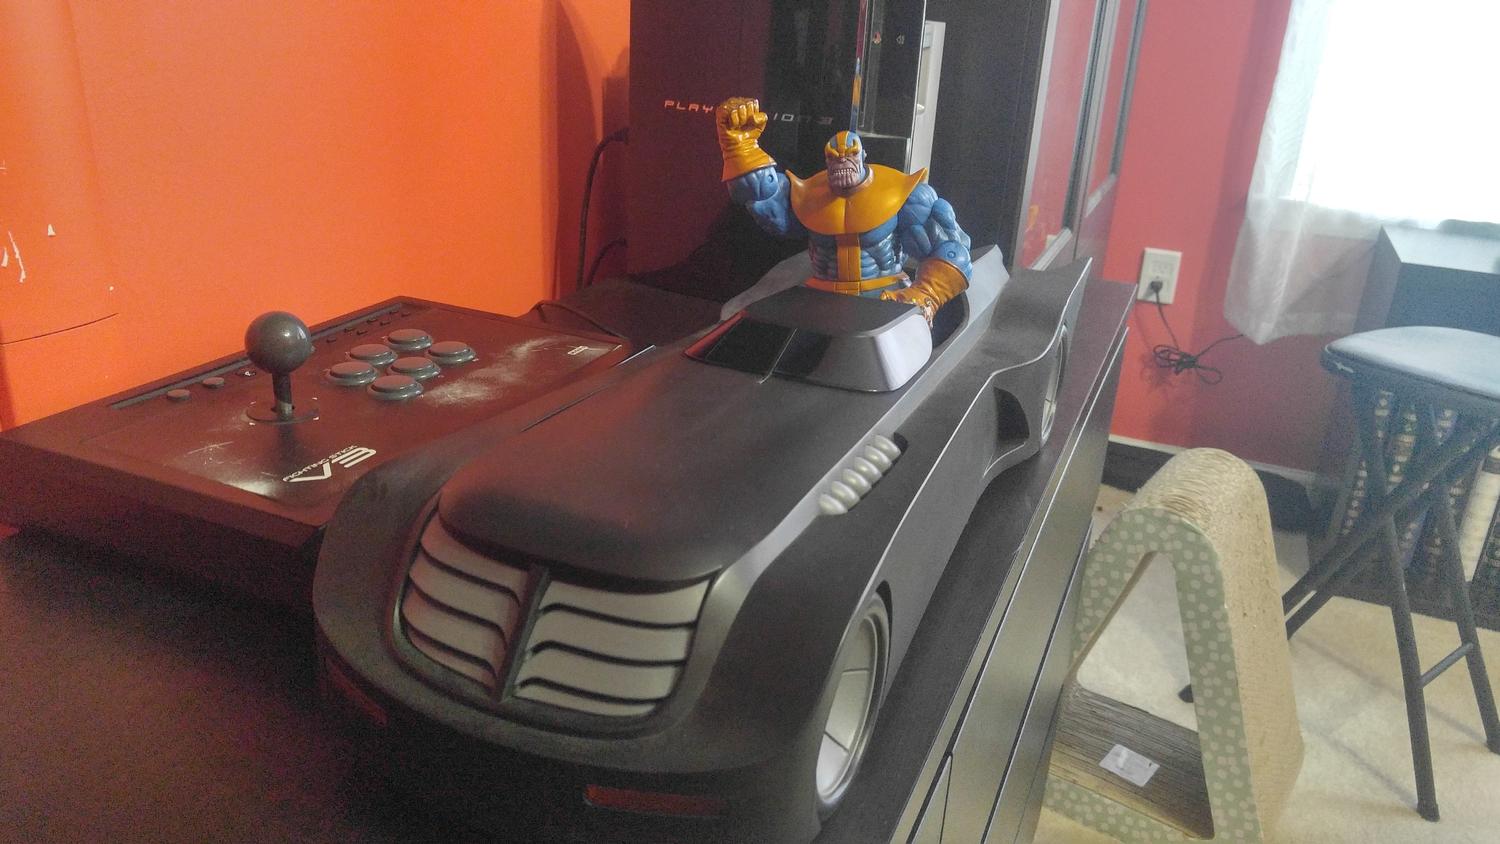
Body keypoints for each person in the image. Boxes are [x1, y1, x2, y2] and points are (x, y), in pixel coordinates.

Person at [715, 96, 972, 324]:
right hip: (820, 300)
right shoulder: (808, 195)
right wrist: (741, 150)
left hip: (884, 300)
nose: (842, 161)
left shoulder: (902, 193)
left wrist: (925, 295)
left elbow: (953, 249)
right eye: (834, 157)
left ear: (862, 155)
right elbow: (760, 193)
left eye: (850, 154)